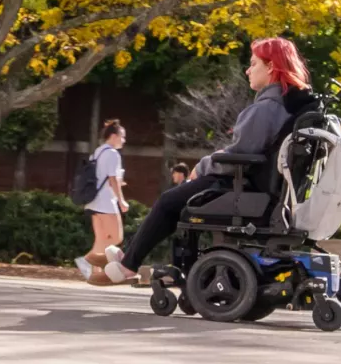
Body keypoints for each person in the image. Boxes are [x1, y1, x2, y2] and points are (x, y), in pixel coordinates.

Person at [86, 37, 317, 285]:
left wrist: (203, 165)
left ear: (271, 67)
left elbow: (241, 152)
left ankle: (128, 265)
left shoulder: (267, 107)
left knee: (169, 201)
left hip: (242, 187)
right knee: (176, 201)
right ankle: (129, 257)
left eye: (253, 64)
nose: (248, 70)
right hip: (261, 188)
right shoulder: (290, 104)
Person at [74, 120, 127, 280]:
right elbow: (112, 179)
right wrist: (121, 201)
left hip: (93, 201)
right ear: (113, 136)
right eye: (122, 137)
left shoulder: (98, 152)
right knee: (117, 237)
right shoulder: (112, 153)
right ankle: (86, 261)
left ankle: (94, 271)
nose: (123, 140)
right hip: (106, 202)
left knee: (101, 239)